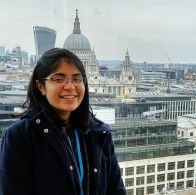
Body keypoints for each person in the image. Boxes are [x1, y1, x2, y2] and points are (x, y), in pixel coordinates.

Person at [0, 48, 126, 195]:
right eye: (58, 79)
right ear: (41, 86)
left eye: (76, 79)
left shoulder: (99, 133)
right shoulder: (20, 136)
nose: (70, 86)